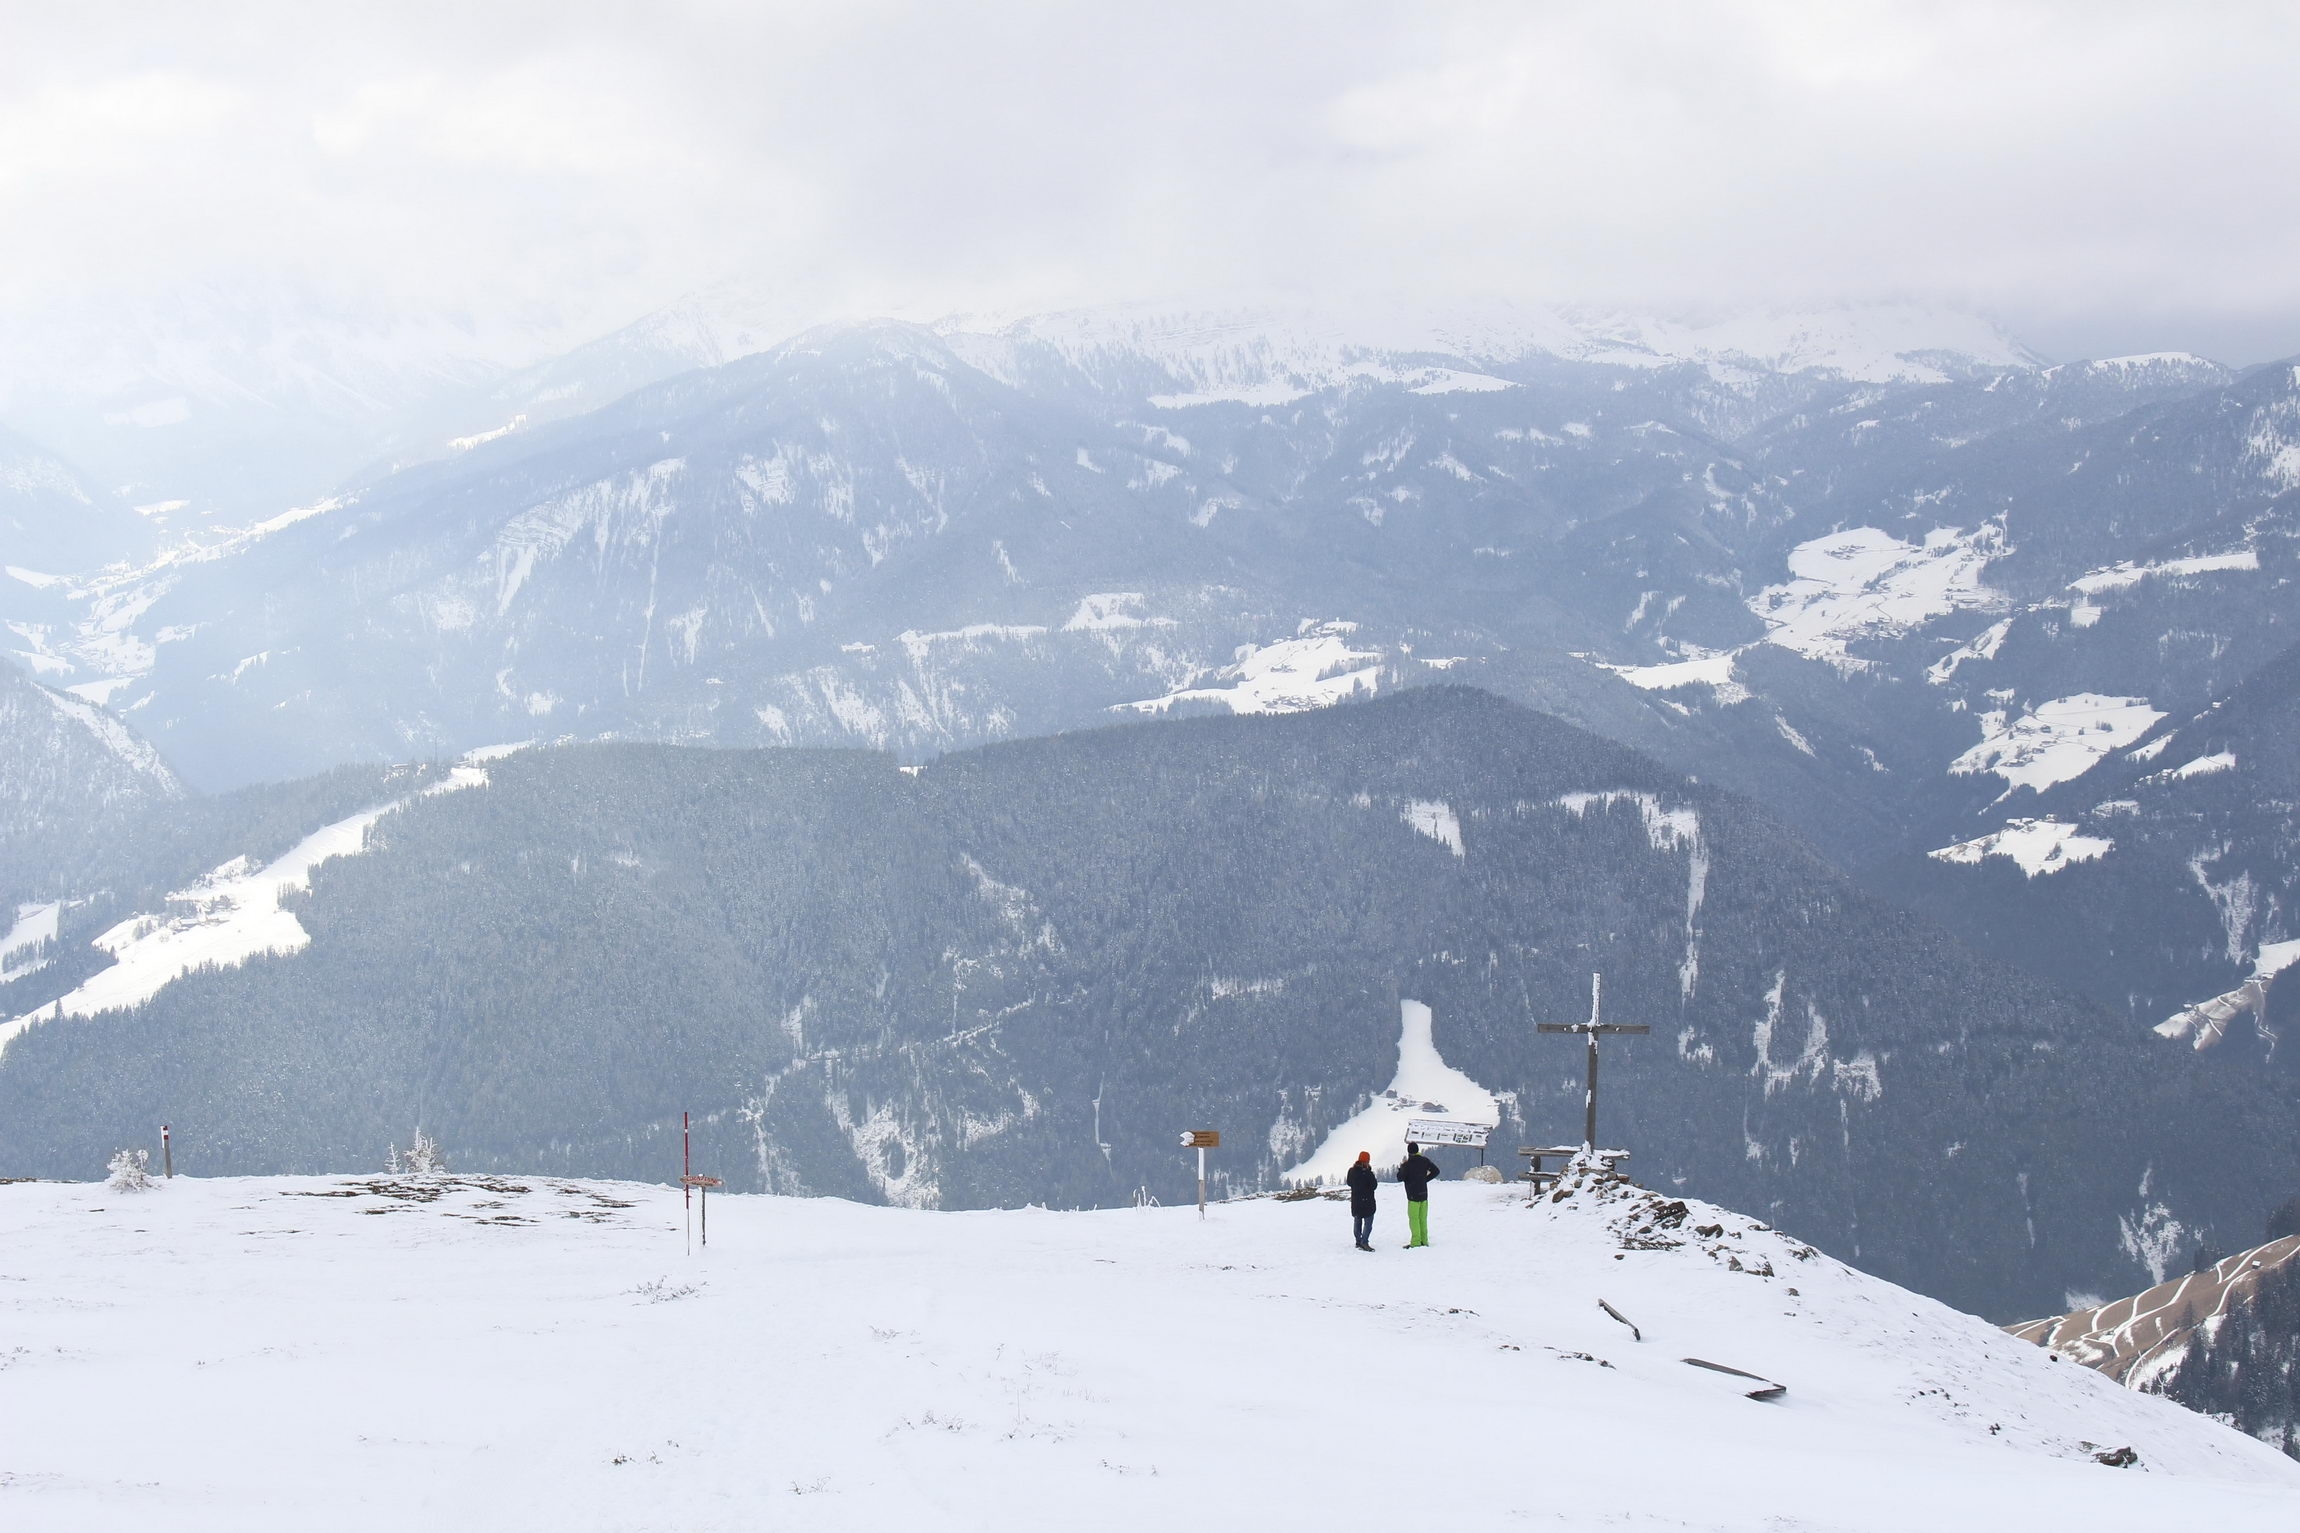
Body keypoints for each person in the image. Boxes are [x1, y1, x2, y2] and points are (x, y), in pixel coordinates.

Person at [1397, 1141, 1440, 1248]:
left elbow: (1400, 1178)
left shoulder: (1407, 1165)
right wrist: (1425, 1179)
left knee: (1414, 1219)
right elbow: (1436, 1171)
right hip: (1424, 1194)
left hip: (1413, 1195)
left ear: (1409, 1152)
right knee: (1423, 1218)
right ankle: (1424, 1240)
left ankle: (1416, 1242)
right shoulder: (1424, 1161)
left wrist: (1401, 1169)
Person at [1345, 1151, 1378, 1251]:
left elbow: (1349, 1183)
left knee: (1357, 1221)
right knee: (1368, 1223)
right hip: (1367, 1202)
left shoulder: (1352, 1171)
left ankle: (1358, 1241)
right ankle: (1364, 1241)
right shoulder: (1368, 1174)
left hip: (1356, 1202)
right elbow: (1374, 1186)